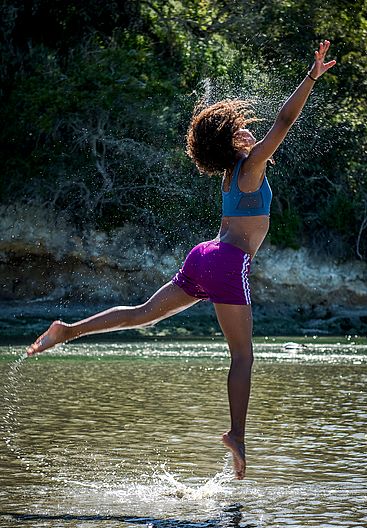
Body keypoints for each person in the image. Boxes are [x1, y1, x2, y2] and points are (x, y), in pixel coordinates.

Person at [26, 41, 336, 480]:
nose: (250, 133)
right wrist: (311, 77)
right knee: (243, 355)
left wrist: (244, 145)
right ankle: (237, 435)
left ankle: (69, 329)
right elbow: (284, 122)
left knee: (143, 314)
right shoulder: (248, 169)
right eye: (241, 131)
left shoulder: (232, 172)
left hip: (203, 255)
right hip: (229, 264)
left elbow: (255, 150)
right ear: (232, 143)